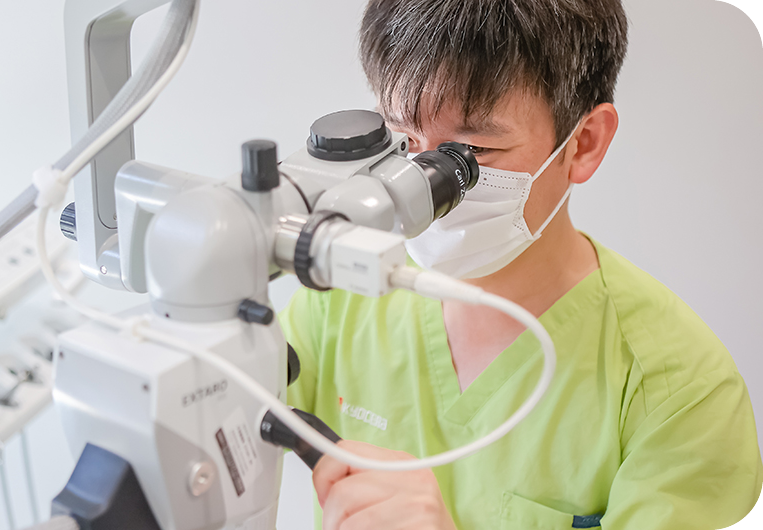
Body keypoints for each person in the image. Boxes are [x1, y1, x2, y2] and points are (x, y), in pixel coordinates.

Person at [279, 1, 763, 529]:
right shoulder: (344, 295)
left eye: (469, 152)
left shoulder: (680, 391)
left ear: (584, 143)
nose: (418, 184)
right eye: (404, 141)